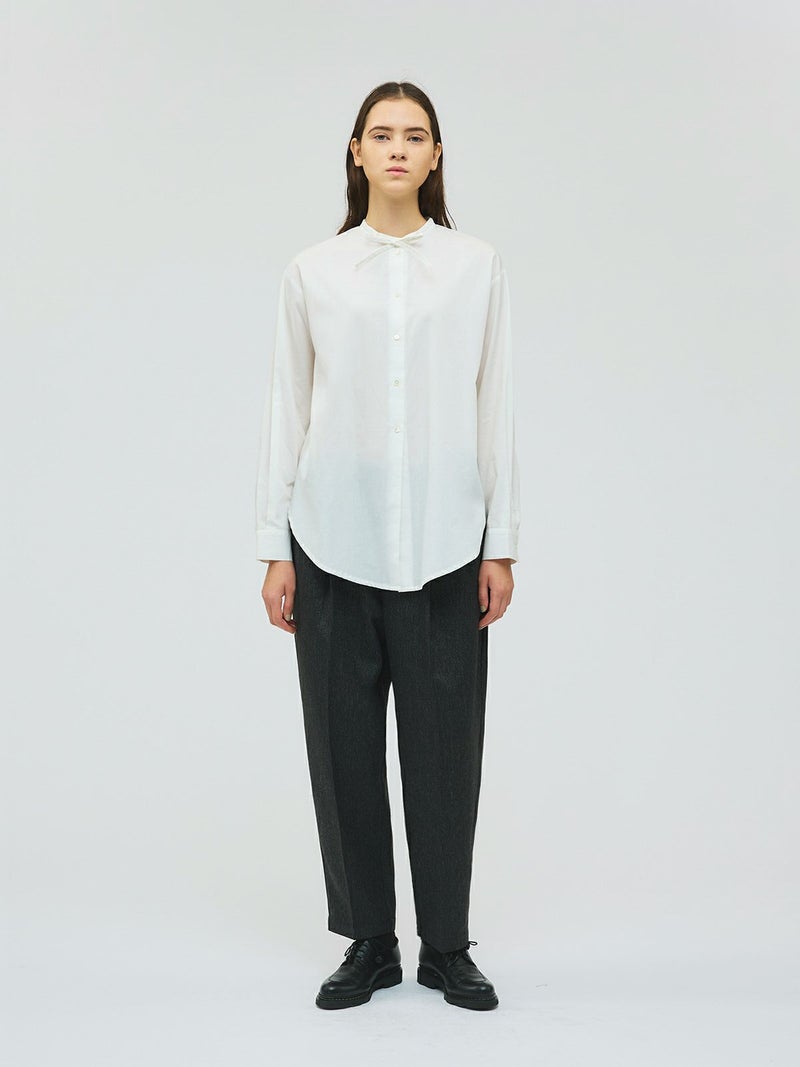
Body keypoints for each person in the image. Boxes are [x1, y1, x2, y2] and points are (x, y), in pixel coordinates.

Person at [255, 81, 520, 1011]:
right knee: (343, 750)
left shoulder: (477, 267)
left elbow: (496, 405)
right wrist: (275, 546)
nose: (398, 148)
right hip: (330, 538)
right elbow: (288, 407)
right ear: (356, 151)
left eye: (416, 135)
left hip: (448, 543)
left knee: (446, 750)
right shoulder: (313, 272)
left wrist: (501, 542)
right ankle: (368, 940)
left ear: (437, 155)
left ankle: (446, 944)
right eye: (382, 134)